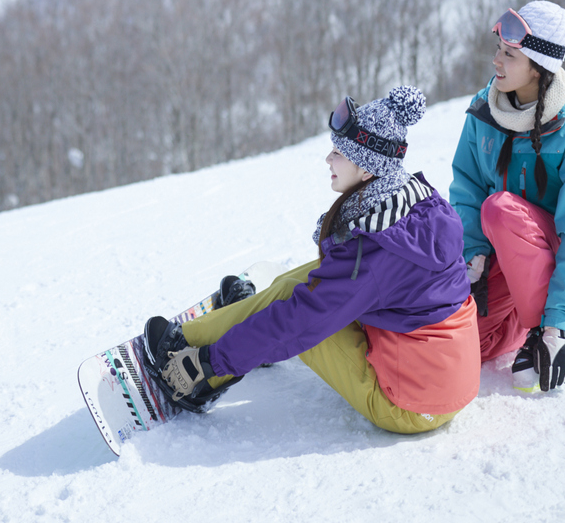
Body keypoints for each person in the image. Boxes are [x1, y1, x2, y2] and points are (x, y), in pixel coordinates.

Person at [143, 86, 480, 434]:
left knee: (299, 309)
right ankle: (237, 327)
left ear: (368, 169)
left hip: (412, 405)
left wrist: (212, 362)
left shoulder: (379, 249)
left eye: (339, 152)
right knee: (302, 285)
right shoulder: (410, 201)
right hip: (443, 377)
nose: (328, 160)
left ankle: (197, 367)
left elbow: (300, 321)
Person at [449, 0, 565, 392]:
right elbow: (465, 185)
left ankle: (541, 330)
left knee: (500, 208)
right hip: (500, 259)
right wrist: (473, 253)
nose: (496, 61)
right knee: (464, 345)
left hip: (547, 260)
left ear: (538, 66)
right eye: (498, 50)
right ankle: (519, 329)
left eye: (509, 54)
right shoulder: (484, 111)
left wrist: (559, 326)